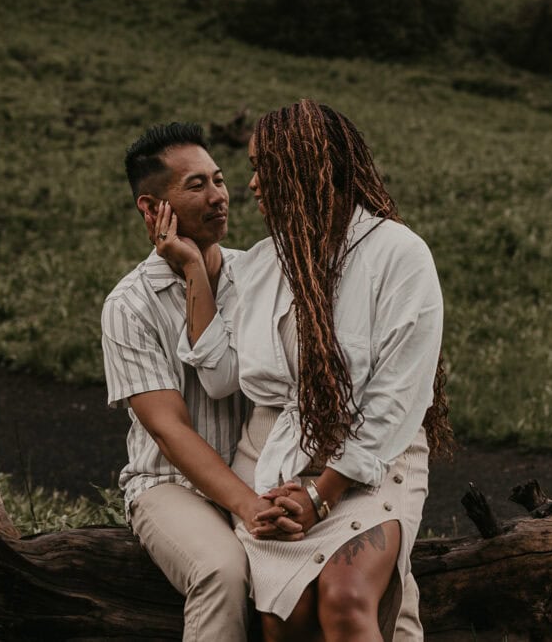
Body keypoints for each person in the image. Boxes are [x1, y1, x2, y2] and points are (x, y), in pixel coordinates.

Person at [156, 100, 452, 640]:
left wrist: (322, 494)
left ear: (308, 169)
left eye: (262, 169)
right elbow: (222, 377)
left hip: (371, 460)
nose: (250, 185)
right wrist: (195, 267)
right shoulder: (269, 261)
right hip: (274, 461)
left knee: (345, 598)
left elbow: (397, 398)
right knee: (283, 617)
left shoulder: (398, 255)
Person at [102, 122, 307, 642]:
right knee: (222, 568)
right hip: (169, 488)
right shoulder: (129, 306)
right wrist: (246, 505)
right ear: (151, 210)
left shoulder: (260, 273)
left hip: (266, 470)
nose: (219, 197)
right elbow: (171, 433)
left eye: (219, 179)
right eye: (196, 186)